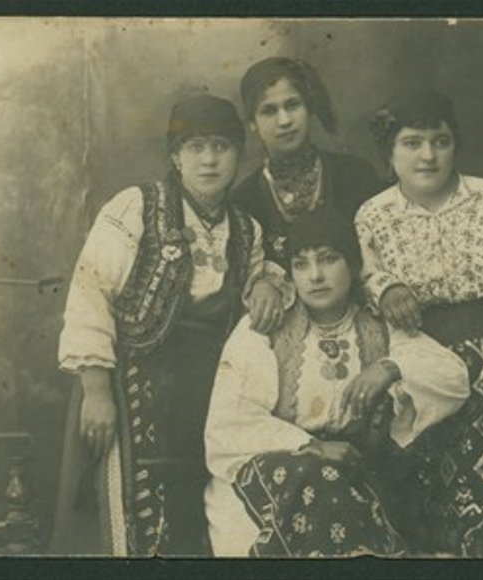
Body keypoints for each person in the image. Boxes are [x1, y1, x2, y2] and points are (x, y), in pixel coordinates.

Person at [52, 94, 288, 556]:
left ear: (239, 156)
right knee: (127, 515)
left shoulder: (246, 229)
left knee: (191, 511)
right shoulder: (136, 207)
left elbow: (265, 275)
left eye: (221, 147)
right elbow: (90, 291)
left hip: (206, 396)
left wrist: (266, 283)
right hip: (130, 384)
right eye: (195, 147)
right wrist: (97, 391)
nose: (209, 160)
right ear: (176, 157)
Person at [203, 207, 470, 557]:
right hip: (273, 480)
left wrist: (389, 367)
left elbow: (453, 377)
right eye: (301, 264)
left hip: (359, 474)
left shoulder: (377, 324)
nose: (315, 276)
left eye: (328, 260)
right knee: (319, 477)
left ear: (354, 266)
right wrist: (311, 446)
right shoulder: (265, 329)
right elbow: (228, 424)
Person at [355, 90, 483, 555]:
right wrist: (387, 287)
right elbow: (364, 275)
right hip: (423, 350)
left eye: (440, 141)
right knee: (433, 488)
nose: (428, 155)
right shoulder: (373, 214)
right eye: (412, 142)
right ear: (389, 152)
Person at [232, 57, 384, 268]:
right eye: (269, 111)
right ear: (252, 124)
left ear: (309, 108)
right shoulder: (244, 201)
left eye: (292, 105)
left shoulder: (356, 176)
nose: (284, 121)